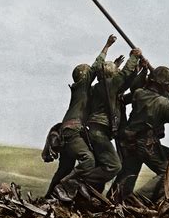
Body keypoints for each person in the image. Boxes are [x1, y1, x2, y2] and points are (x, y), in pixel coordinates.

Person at [45, 35, 116, 200]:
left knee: (65, 168)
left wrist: (114, 67)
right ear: (84, 76)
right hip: (73, 131)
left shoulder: (81, 90)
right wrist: (107, 46)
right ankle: (64, 187)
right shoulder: (82, 86)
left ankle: (49, 197)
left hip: (68, 131)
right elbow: (97, 65)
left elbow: (101, 75)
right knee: (89, 160)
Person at [119, 66, 169, 203]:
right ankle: (138, 200)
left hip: (130, 140)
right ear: (163, 85)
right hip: (146, 143)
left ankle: (116, 199)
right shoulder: (162, 103)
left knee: (130, 173)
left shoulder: (139, 93)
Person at [84, 46, 142, 193]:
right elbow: (124, 76)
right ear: (111, 75)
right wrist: (134, 57)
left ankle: (90, 193)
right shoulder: (109, 85)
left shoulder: (98, 88)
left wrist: (139, 69)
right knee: (114, 166)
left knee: (102, 165)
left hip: (96, 131)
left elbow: (125, 81)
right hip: (100, 132)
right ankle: (78, 180)